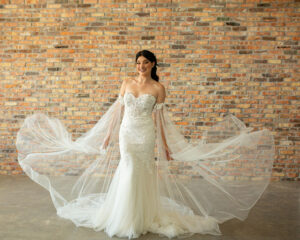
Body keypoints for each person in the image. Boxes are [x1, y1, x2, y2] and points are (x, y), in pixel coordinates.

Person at [16, 50, 275, 239]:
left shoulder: (158, 88)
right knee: (127, 169)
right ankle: (126, 217)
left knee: (142, 170)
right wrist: (107, 136)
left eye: (145, 62)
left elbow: (161, 120)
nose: (140, 66)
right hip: (127, 133)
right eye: (137, 63)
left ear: (153, 64)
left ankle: (141, 215)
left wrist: (166, 146)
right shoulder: (126, 83)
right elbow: (116, 113)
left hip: (146, 134)